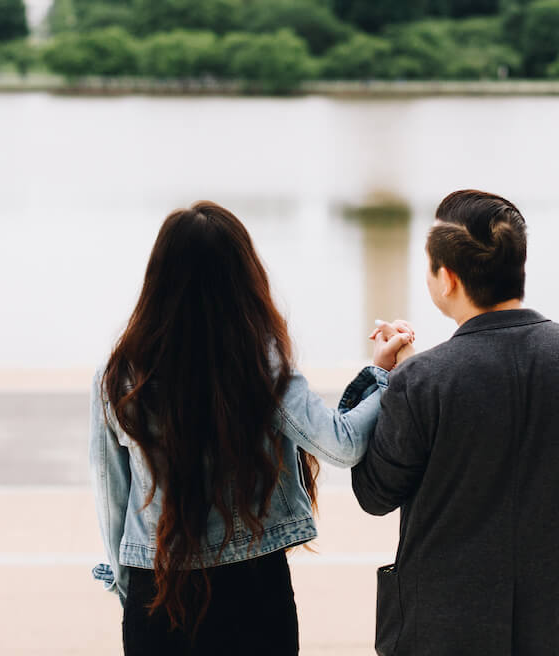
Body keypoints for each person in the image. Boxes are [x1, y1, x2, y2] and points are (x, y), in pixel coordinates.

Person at [90, 200, 416, 655]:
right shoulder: (259, 361)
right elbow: (341, 445)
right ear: (242, 277)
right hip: (253, 589)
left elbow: (112, 497)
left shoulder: (121, 374)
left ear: (157, 279)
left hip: (157, 592)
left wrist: (130, 588)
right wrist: (387, 378)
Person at [352, 189, 559, 655]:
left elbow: (375, 493)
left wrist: (387, 382)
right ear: (519, 268)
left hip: (442, 627)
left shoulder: (424, 379)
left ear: (447, 279)